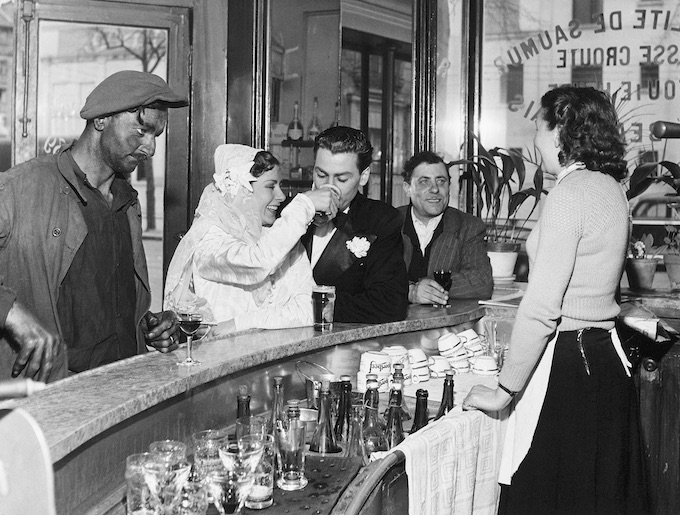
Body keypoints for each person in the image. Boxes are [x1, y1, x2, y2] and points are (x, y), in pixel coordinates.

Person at [463, 86, 648, 513]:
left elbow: (543, 307)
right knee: (595, 494)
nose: (537, 137)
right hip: (603, 360)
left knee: (545, 495)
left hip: (568, 365)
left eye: (540, 127)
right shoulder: (610, 187)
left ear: (561, 129)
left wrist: (503, 390)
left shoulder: (570, 192)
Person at [0, 70, 188, 382]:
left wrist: (148, 325)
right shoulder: (19, 189)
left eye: (156, 136)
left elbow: (100, 306)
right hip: (51, 400)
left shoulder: (127, 202)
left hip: (123, 391)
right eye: (141, 132)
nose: (150, 149)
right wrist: (9, 311)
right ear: (101, 119)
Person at [164, 144, 339, 334]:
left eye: (280, 186)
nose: (281, 196)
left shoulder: (281, 240)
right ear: (242, 190)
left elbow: (309, 311)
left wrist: (238, 323)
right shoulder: (208, 240)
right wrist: (304, 204)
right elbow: (258, 262)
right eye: (271, 186)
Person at [301, 126, 409, 323]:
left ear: (364, 176)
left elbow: (391, 303)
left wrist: (322, 306)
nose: (328, 186)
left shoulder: (381, 220)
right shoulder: (290, 212)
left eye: (341, 178)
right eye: (321, 175)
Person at [399, 151, 492, 304]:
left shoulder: (468, 226)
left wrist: (424, 286)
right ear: (408, 188)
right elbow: (371, 278)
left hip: (447, 325)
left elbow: (481, 282)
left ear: (449, 186)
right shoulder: (389, 222)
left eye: (441, 181)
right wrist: (410, 291)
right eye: (424, 181)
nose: (435, 189)